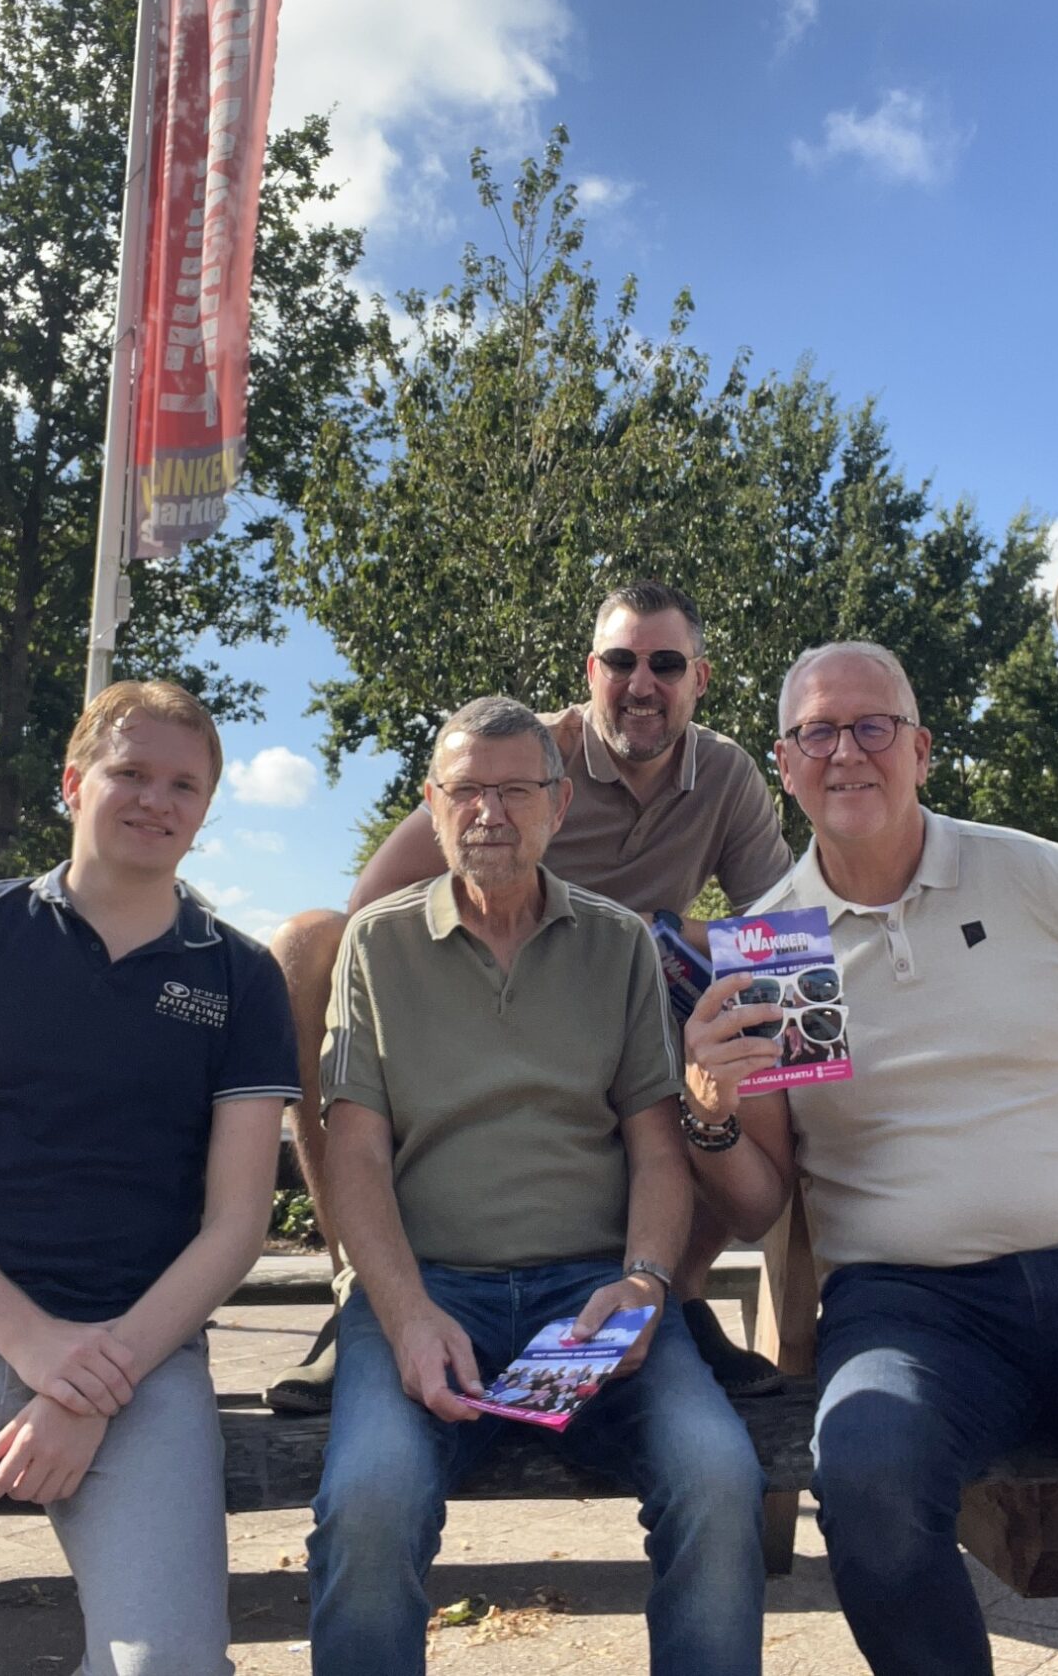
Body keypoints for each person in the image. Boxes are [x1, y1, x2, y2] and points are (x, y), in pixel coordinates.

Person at [682, 640, 1058, 1676]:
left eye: (873, 726)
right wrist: (712, 1116)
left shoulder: (1034, 873)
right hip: (910, 1307)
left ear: (921, 750)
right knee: (868, 1498)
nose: (846, 750)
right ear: (785, 764)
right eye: (818, 731)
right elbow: (761, 1200)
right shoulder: (772, 945)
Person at [0, 680, 301, 1676]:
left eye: (183, 783)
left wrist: (91, 1381)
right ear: (73, 781)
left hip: (136, 1365)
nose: (155, 799)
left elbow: (235, 1226)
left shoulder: (240, 976)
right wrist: (36, 1347)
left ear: (206, 810)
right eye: (130, 771)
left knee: (166, 1668)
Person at [306, 695, 765, 1675]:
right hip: (427, 1290)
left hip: (591, 1292)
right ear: (432, 805)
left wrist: (645, 1281)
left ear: (559, 806)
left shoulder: (618, 943)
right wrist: (403, 1311)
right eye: (466, 791)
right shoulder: (376, 944)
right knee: (370, 1503)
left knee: (719, 1479)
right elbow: (353, 1157)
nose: (490, 813)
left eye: (517, 790)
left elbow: (656, 1147)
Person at [267, 580, 792, 1409]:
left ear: (699, 678)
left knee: (756, 1007)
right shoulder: (515, 758)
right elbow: (369, 906)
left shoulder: (726, 773)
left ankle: (677, 1289)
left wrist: (657, 932)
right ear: (590, 672)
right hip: (492, 993)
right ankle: (356, 1290)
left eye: (664, 664)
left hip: (631, 1004)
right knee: (305, 945)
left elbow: (780, 936)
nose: (641, 684)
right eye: (620, 662)